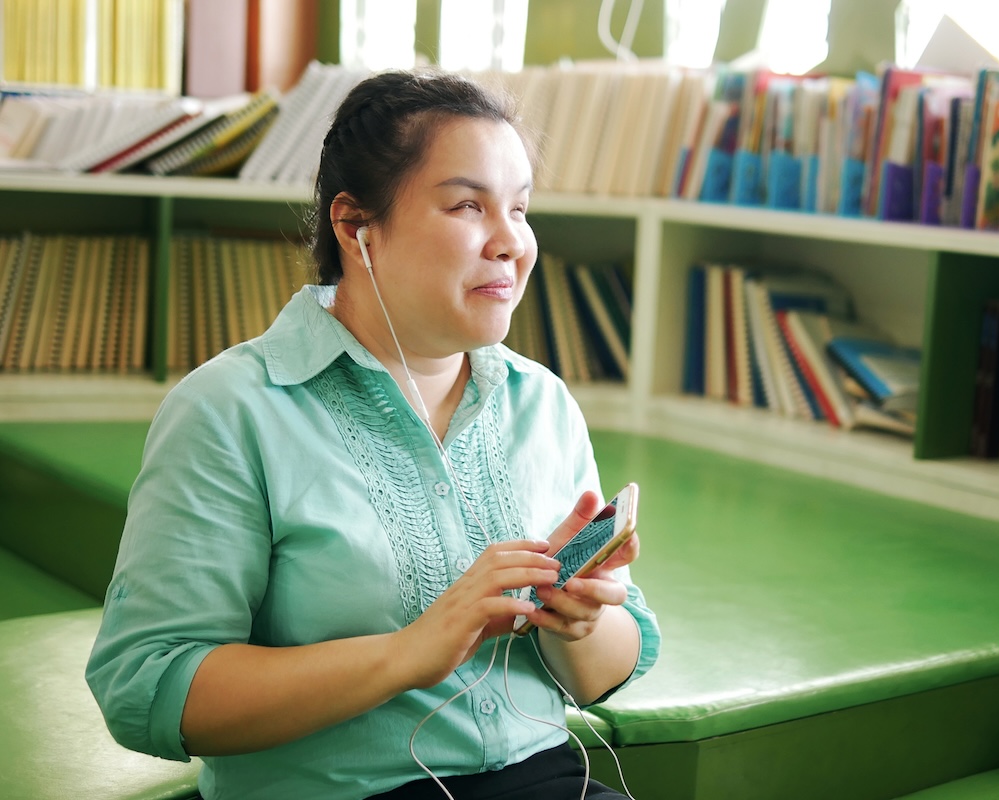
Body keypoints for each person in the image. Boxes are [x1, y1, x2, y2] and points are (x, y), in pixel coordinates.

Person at [85, 68, 660, 800]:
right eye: (467, 206)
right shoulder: (230, 409)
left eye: (519, 208)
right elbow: (149, 689)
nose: (511, 242)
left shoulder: (541, 401)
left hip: (545, 779)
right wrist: (407, 653)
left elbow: (609, 669)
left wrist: (577, 623)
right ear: (356, 227)